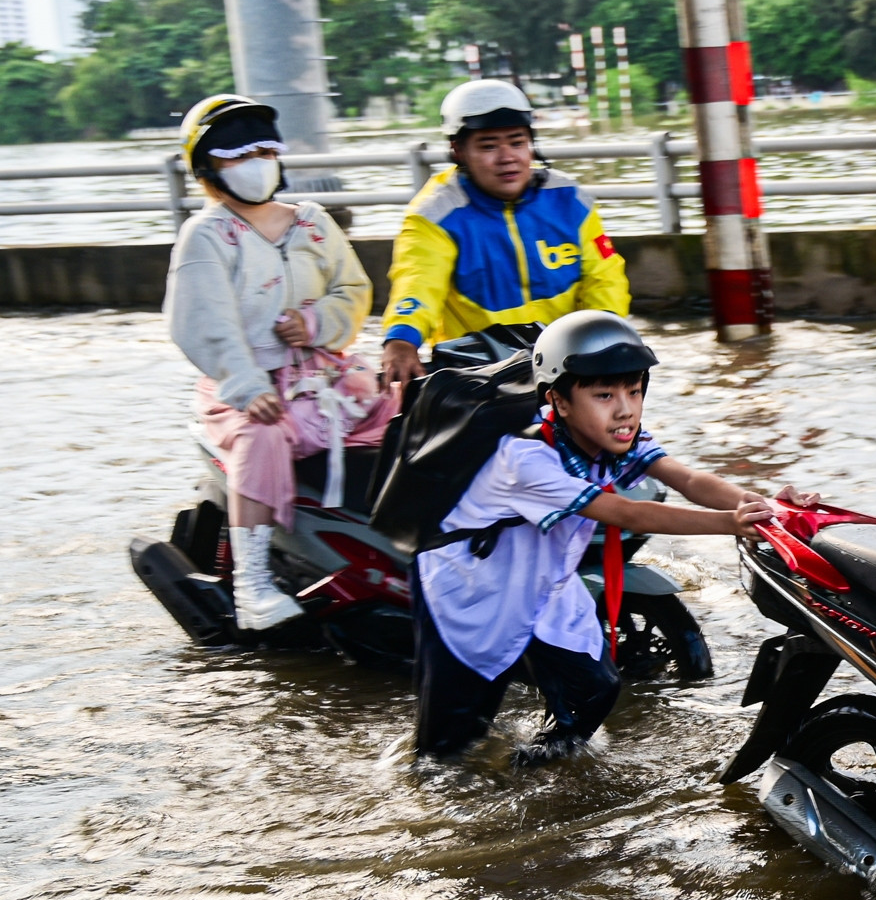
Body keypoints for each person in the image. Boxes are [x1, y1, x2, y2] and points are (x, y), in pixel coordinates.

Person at [413, 310, 817, 762]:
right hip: (472, 591)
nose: (624, 408)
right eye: (604, 394)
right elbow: (625, 512)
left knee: (595, 690)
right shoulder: (524, 459)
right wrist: (732, 524)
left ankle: (532, 771)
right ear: (559, 402)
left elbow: (687, 478)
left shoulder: (618, 435)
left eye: (634, 391)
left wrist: (762, 505)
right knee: (449, 746)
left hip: (544, 582)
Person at [164, 94, 391, 630]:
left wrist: (315, 324)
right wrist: (245, 387)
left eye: (264, 148)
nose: (255, 161)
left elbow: (354, 289)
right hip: (249, 389)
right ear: (208, 167)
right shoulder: (207, 236)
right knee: (260, 436)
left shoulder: (312, 222)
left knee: (413, 411)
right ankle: (254, 584)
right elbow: (203, 321)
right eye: (237, 154)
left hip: (327, 378)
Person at [379, 80, 631, 395]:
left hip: (570, 370)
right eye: (488, 146)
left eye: (517, 142)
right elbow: (416, 285)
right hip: (480, 379)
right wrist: (401, 340)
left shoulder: (570, 200)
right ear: (458, 150)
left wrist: (604, 334)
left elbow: (604, 277)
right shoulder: (434, 215)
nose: (507, 157)